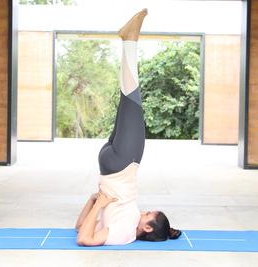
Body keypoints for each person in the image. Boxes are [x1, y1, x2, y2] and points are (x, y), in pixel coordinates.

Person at [76, 8, 181, 246]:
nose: (143, 211)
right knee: (128, 101)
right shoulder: (128, 221)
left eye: (147, 214)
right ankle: (129, 39)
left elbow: (84, 238)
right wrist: (93, 202)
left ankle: (130, 39)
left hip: (123, 163)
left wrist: (100, 205)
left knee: (133, 99)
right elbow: (80, 226)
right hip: (112, 166)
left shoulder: (125, 233)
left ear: (146, 227)